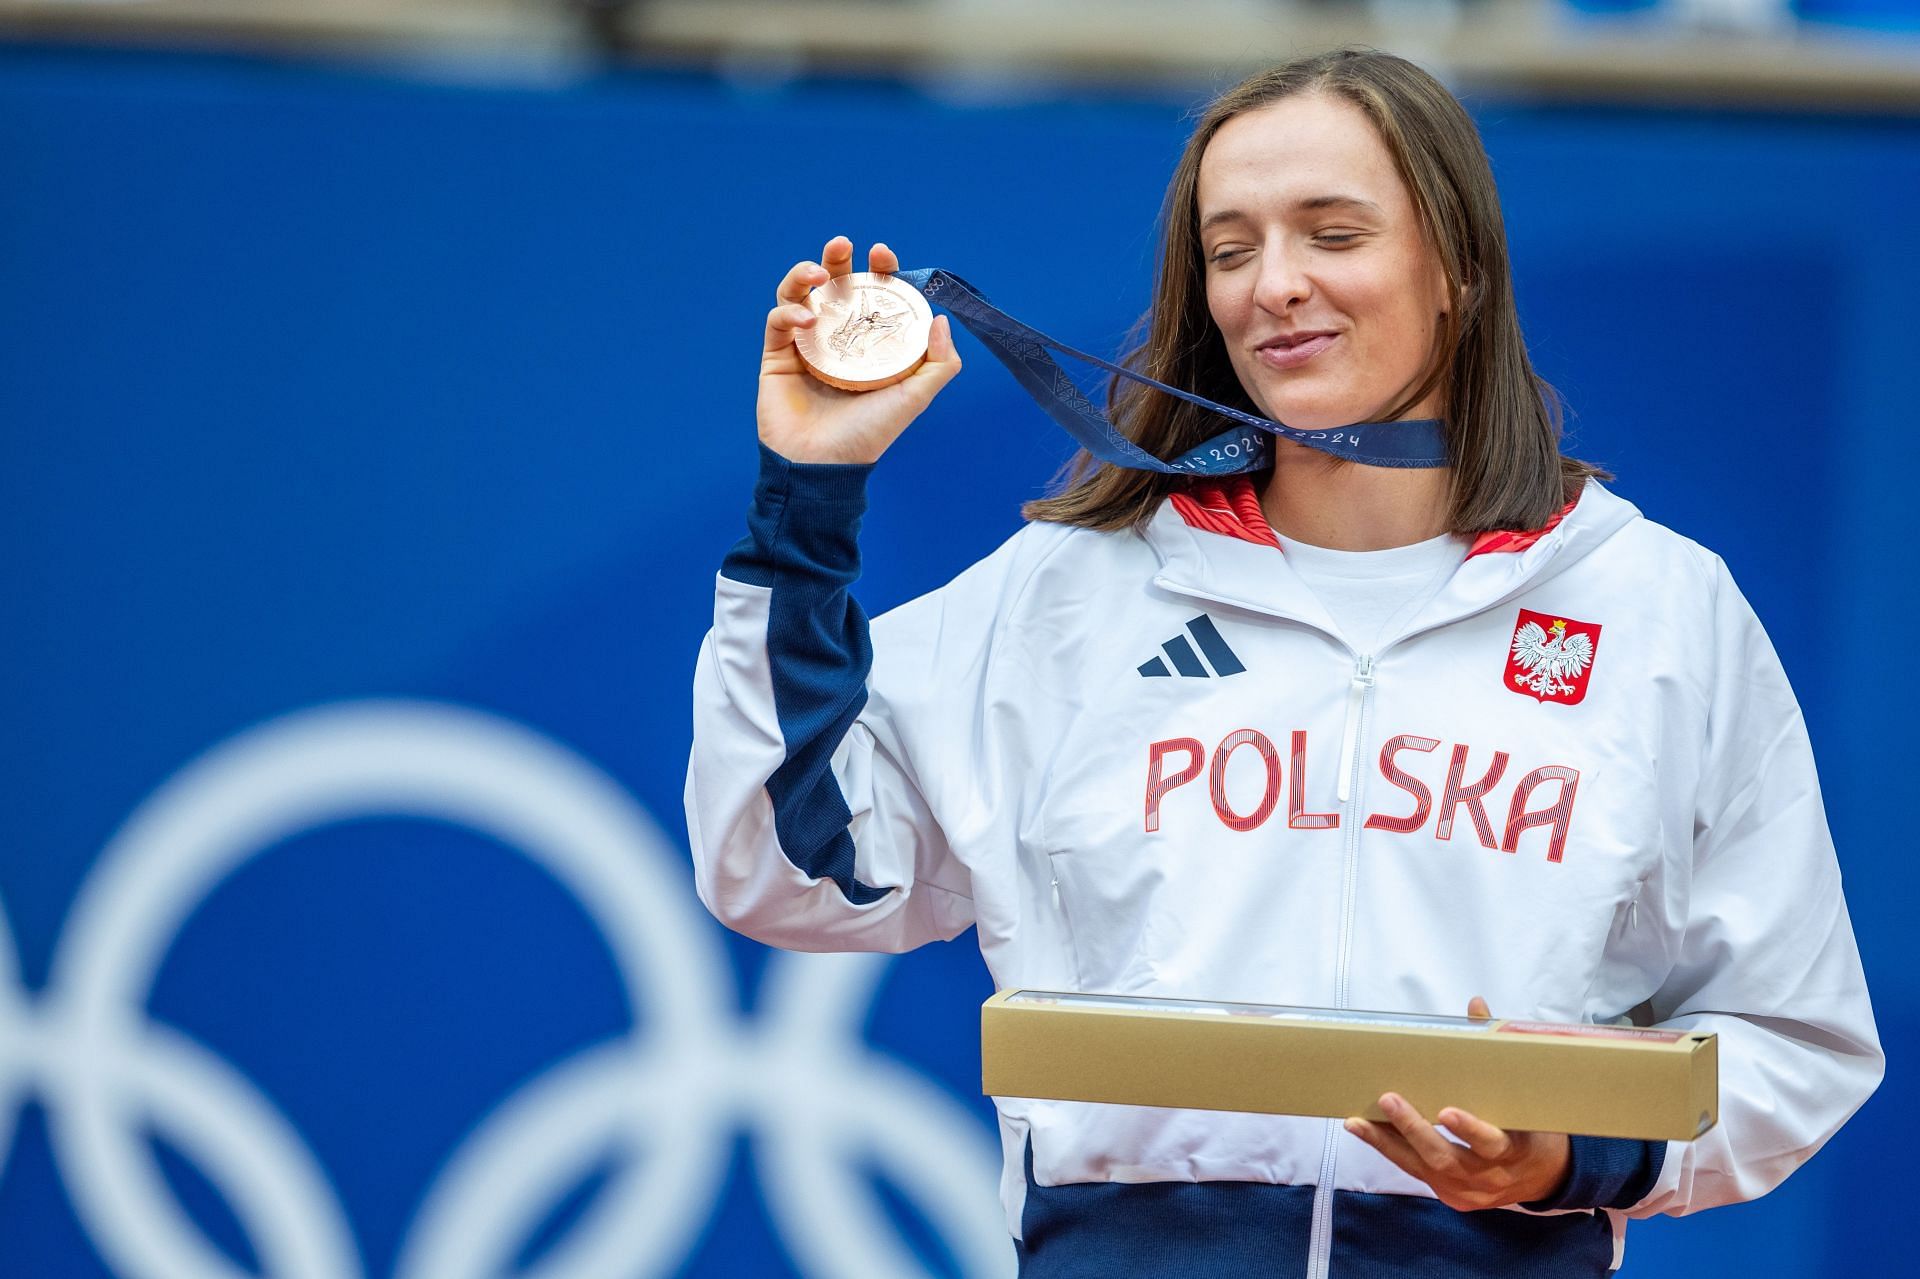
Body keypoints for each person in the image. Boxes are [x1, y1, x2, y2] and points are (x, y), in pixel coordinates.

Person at [686, 47, 1882, 1277]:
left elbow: (1797, 1038)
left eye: (1333, 232)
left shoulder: (1656, 608)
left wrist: (1573, 1154)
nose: (1278, 287)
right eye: (1232, 247)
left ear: (1457, 269)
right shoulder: (1070, 594)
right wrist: (807, 493)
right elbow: (786, 869)